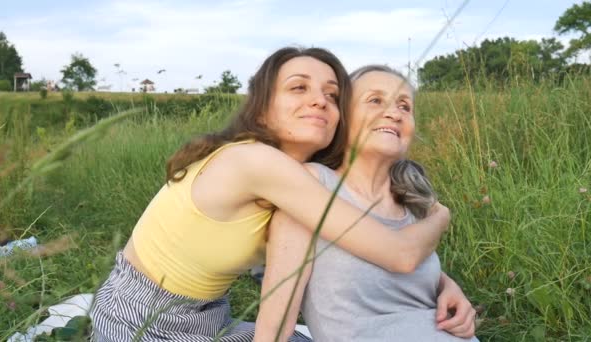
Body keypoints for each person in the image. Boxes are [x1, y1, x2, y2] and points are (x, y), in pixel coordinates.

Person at [90, 48, 451, 341]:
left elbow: (357, 245)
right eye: (298, 88)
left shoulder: (298, 182)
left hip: (209, 317)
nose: (320, 101)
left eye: (332, 95)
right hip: (140, 319)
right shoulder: (258, 163)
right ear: (262, 110)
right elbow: (399, 253)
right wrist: (440, 215)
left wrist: (444, 286)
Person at [255, 65, 478, 341]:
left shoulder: (412, 204)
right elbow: (276, 319)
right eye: (375, 100)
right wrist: (442, 216)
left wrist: (446, 285)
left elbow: (392, 268)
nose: (394, 113)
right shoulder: (313, 186)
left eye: (405, 106)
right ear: (343, 117)